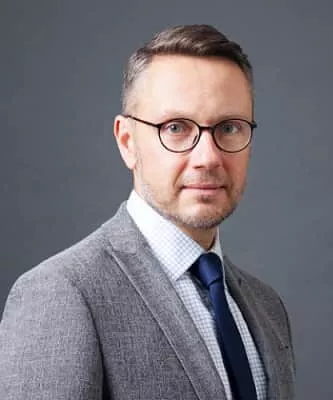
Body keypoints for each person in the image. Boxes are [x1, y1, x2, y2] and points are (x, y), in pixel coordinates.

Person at [0, 24, 295, 400]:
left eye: (229, 127)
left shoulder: (267, 307)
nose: (208, 157)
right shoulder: (61, 294)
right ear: (127, 142)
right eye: (176, 127)